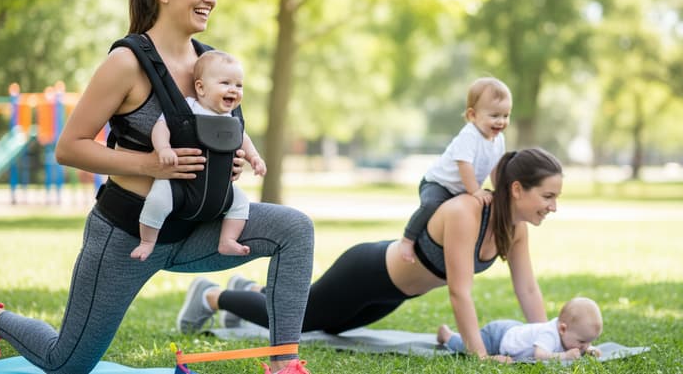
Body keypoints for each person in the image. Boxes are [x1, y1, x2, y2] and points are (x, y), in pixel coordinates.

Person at [0, 0, 313, 374]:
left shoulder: (213, 65)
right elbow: (70, 146)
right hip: (127, 234)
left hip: (197, 230)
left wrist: (231, 165)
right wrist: (150, 166)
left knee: (295, 229)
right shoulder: (127, 63)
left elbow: (223, 136)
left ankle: (285, 365)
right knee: (67, 364)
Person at [177, 147, 562, 363]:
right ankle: (211, 295)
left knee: (329, 328)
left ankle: (251, 290)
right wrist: (479, 356)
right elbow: (459, 292)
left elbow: (527, 288)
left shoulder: (515, 230)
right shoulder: (467, 212)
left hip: (393, 294)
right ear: (516, 189)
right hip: (367, 272)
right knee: (305, 321)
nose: (553, 206)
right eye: (547, 196)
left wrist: (549, 339)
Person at [131, 50, 267, 261]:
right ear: (201, 88)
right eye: (225, 83)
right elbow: (162, 126)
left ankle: (227, 240)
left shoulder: (231, 118)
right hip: (180, 185)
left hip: (218, 189)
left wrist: (254, 158)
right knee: (157, 200)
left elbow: (242, 137)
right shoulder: (189, 108)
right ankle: (147, 241)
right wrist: (164, 149)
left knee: (241, 202)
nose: (234, 89)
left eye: (239, 85)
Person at [399, 77, 511, 263]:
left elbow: (496, 167)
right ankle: (407, 239)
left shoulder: (498, 139)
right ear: (472, 115)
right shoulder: (469, 135)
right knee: (431, 205)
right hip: (439, 184)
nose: (501, 121)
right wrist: (475, 191)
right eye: (494, 116)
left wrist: (499, 189)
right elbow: (464, 165)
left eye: (506, 116)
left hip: (462, 190)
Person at [437, 297, 603, 363]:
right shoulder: (550, 334)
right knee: (467, 346)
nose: (584, 346)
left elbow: (580, 345)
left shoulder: (570, 335)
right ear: (562, 329)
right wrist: (564, 356)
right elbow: (540, 355)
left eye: (590, 342)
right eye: (582, 342)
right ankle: (447, 334)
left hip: (513, 330)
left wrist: (589, 350)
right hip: (497, 337)